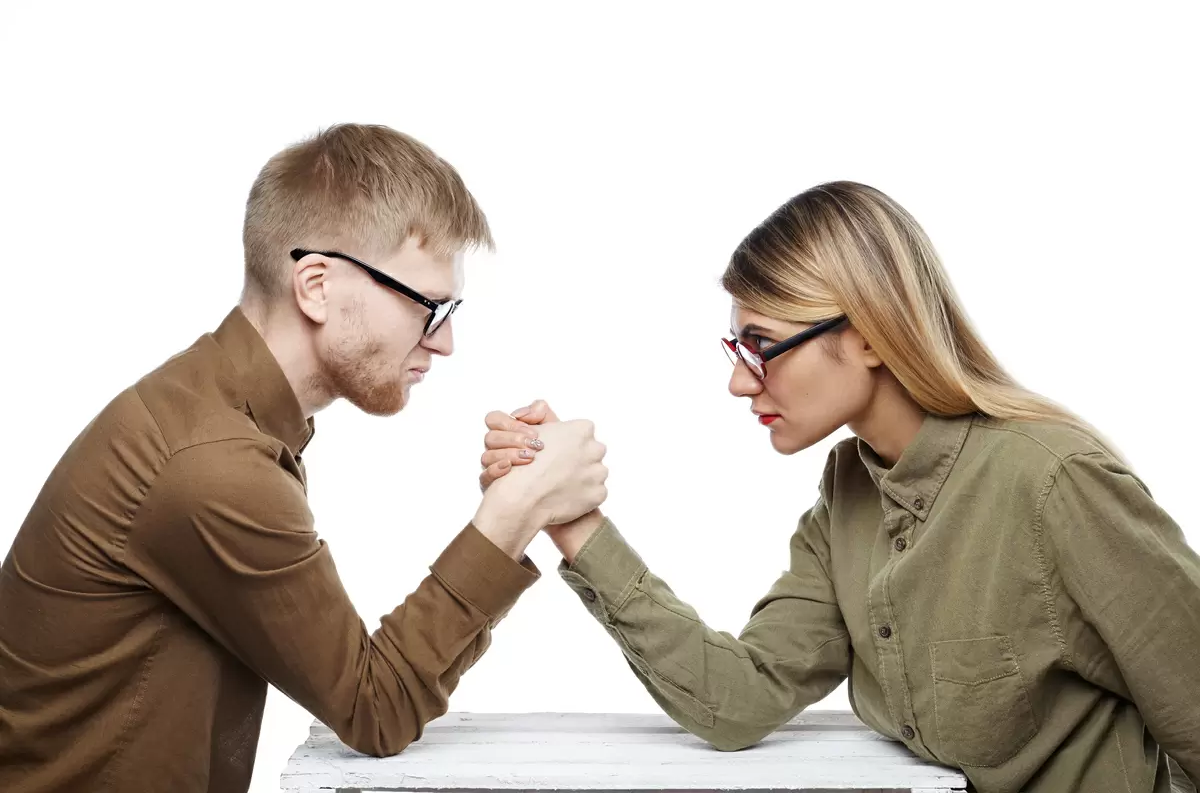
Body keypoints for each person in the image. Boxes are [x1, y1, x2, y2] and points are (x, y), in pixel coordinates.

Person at [479, 181, 1200, 793]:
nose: (738, 381)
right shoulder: (849, 491)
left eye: (762, 346)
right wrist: (570, 520)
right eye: (737, 350)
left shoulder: (1053, 482)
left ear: (870, 337)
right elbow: (740, 698)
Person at [0, 124, 608, 793]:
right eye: (429, 307)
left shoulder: (220, 417)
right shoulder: (212, 464)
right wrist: (515, 513)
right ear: (315, 286)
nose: (446, 342)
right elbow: (376, 708)